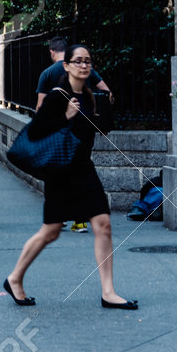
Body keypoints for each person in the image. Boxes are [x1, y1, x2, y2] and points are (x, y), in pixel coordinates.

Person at [3, 44, 137, 310]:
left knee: (103, 225)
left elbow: (98, 131)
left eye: (88, 61)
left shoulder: (88, 96)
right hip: (60, 173)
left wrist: (105, 108)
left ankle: (108, 292)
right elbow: (37, 131)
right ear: (66, 65)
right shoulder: (57, 96)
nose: (84, 65)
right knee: (50, 231)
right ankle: (15, 278)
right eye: (78, 61)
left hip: (83, 169)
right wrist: (65, 117)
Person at [36, 37, 113, 232]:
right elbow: (107, 92)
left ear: (52, 52)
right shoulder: (87, 71)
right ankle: (80, 220)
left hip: (59, 131)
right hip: (83, 131)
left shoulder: (47, 74)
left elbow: (40, 106)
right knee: (81, 169)